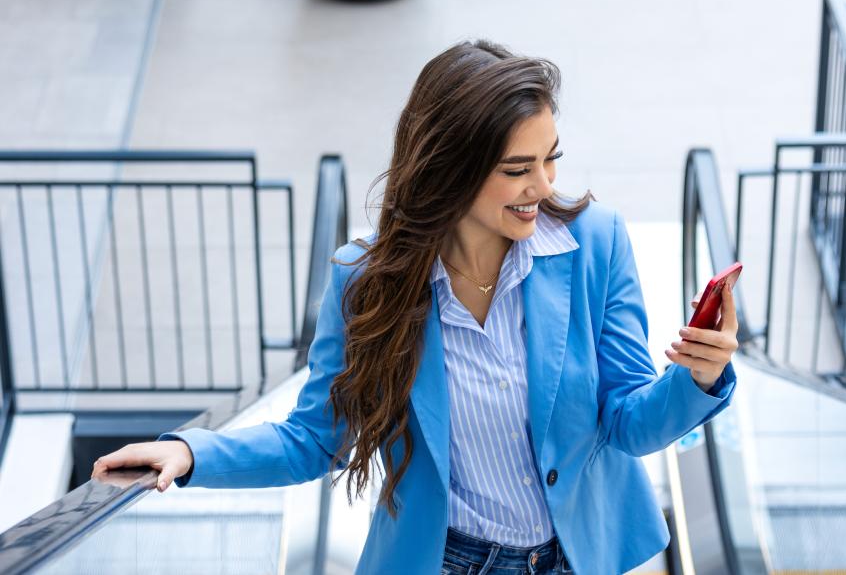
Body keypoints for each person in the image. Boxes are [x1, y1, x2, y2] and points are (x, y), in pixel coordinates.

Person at [92, 39, 739, 574]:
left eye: (550, 160)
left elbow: (629, 423)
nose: (543, 186)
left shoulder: (595, 245)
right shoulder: (367, 280)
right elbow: (317, 439)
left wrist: (697, 378)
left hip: (577, 557)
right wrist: (192, 455)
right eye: (519, 169)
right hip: (447, 561)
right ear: (450, 169)